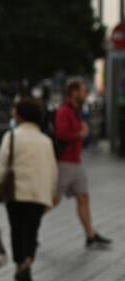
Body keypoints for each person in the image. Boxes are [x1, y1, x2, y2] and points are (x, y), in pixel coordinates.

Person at [0, 99, 58, 281]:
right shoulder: (46, 141)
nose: (13, 116)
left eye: (15, 113)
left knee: (17, 229)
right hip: (38, 193)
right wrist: (52, 193)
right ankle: (28, 261)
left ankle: (20, 265)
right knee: (32, 230)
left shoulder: (12, 137)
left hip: (16, 192)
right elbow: (52, 169)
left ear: (21, 116)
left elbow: (1, 167)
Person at [54, 78, 112, 248]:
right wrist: (80, 134)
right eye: (83, 91)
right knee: (53, 200)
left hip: (75, 162)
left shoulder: (75, 111)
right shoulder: (64, 111)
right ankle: (30, 228)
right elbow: (61, 133)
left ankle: (90, 235)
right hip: (64, 163)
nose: (86, 94)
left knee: (83, 197)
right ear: (74, 93)